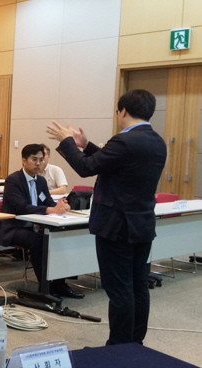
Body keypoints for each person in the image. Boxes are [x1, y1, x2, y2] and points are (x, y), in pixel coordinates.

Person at [47, 88, 167, 345]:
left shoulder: (124, 140)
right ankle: (135, 343)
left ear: (123, 111)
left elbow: (86, 168)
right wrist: (86, 145)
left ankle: (119, 347)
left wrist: (68, 142)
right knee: (137, 286)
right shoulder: (157, 141)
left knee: (119, 289)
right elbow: (113, 163)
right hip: (142, 224)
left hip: (116, 226)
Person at [0, 143, 84, 299]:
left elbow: (48, 201)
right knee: (39, 242)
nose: (38, 163)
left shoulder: (41, 181)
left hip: (36, 225)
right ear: (24, 160)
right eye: (34, 159)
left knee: (59, 239)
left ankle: (60, 284)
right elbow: (21, 207)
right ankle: (45, 287)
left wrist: (61, 206)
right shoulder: (13, 180)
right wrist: (50, 210)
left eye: (41, 160)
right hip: (14, 227)